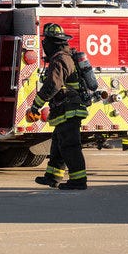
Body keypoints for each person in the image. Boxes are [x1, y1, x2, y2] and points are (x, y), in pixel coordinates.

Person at [29, 23, 91, 190]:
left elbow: (52, 85)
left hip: (68, 109)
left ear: (51, 42)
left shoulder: (60, 59)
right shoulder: (65, 56)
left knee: (70, 146)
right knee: (58, 144)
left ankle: (78, 181)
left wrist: (36, 105)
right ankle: (52, 176)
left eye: (46, 42)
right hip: (66, 108)